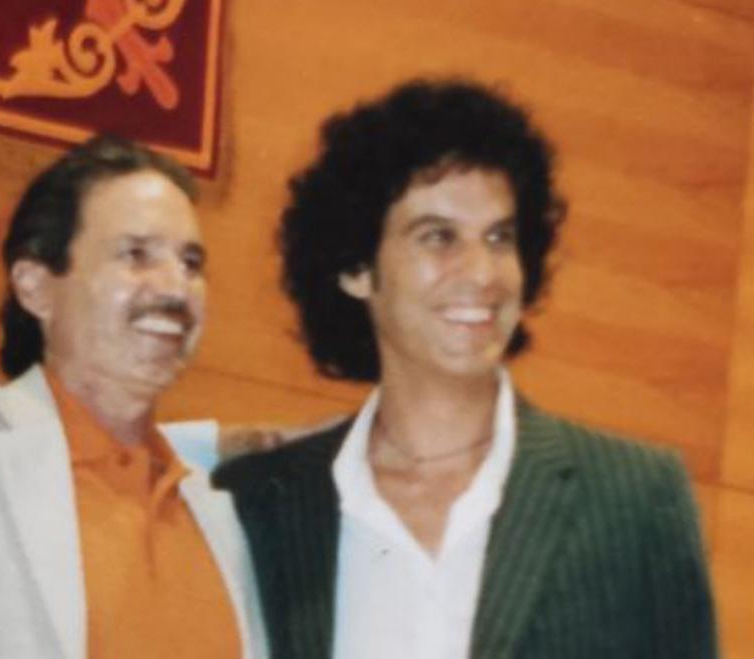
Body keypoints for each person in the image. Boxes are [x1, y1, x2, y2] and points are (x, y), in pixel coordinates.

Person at [213, 79, 717, 659]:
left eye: (500, 237)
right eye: (438, 237)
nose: (483, 272)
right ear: (356, 268)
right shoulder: (261, 501)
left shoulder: (635, 499)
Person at [0, 135, 267, 659]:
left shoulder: (227, 522)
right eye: (136, 255)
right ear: (36, 287)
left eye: (191, 263)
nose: (175, 288)